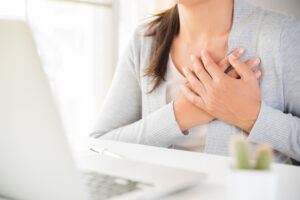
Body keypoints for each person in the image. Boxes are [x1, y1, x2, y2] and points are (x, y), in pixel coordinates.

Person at [91, 0, 300, 164]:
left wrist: (249, 116)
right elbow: (98, 145)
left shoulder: (282, 36)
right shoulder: (144, 40)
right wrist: (179, 116)